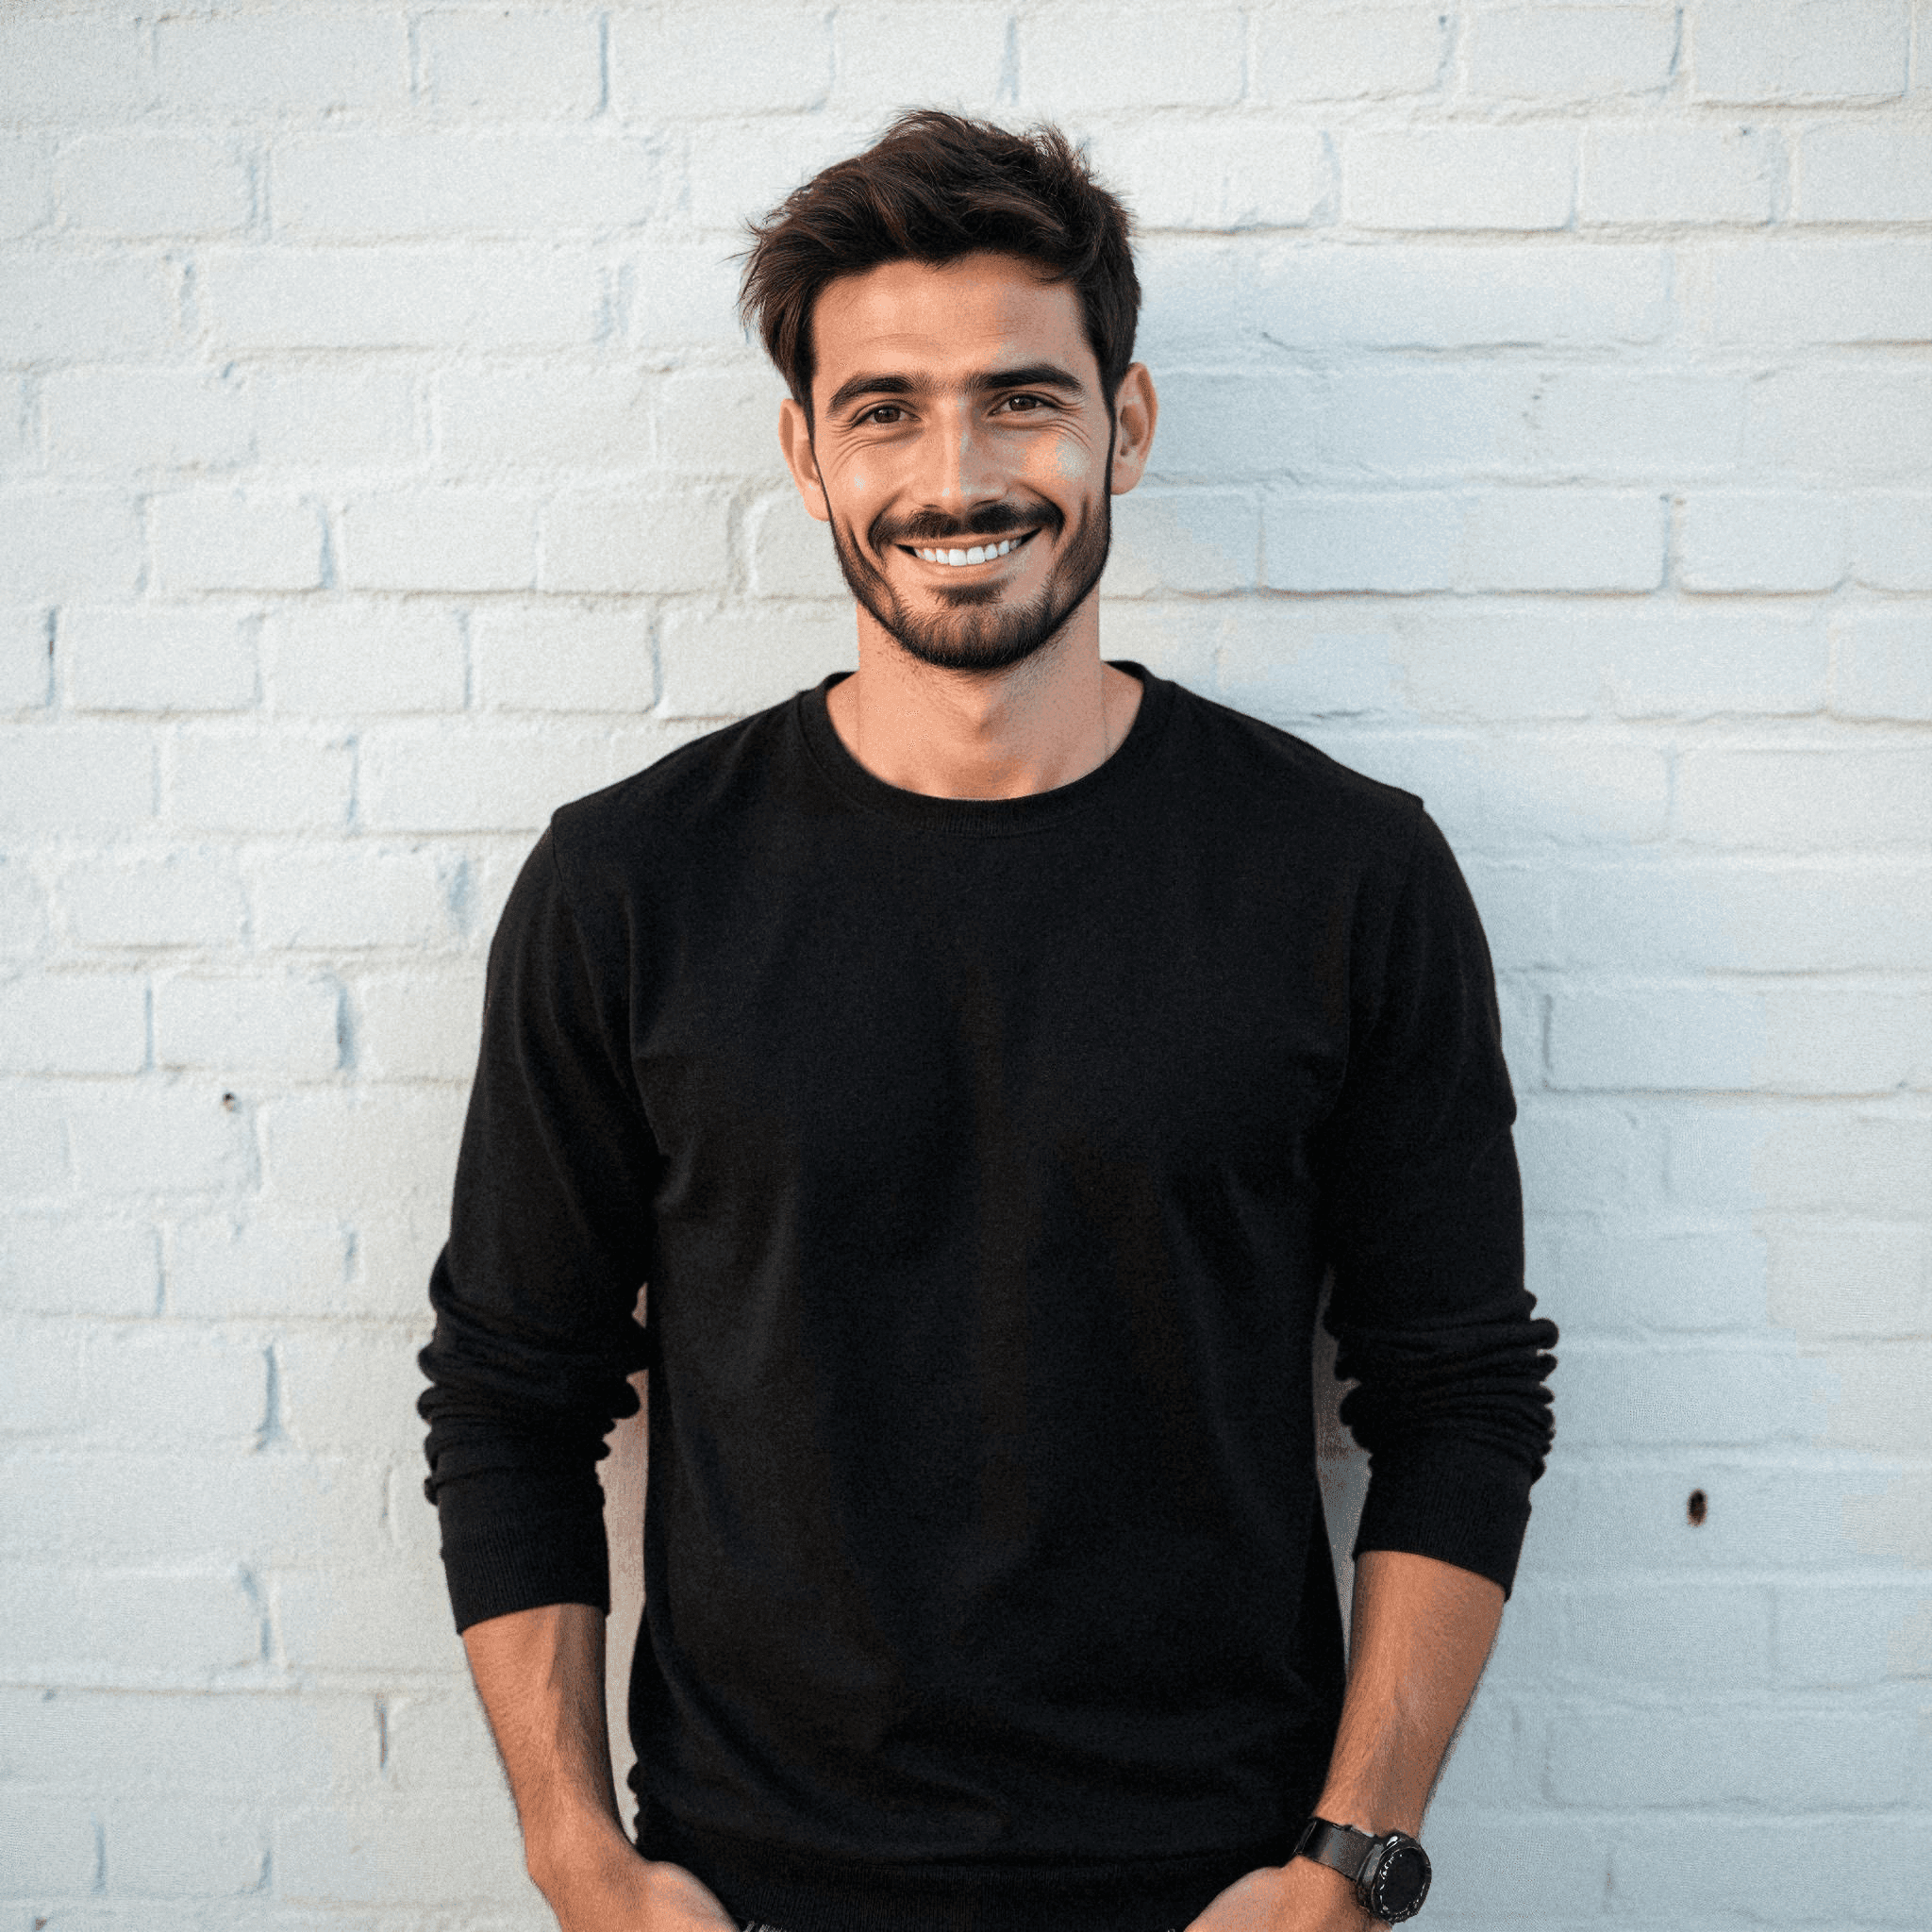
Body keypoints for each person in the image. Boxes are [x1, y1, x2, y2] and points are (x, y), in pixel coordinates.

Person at [417, 109, 1557, 1932]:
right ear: (802, 452)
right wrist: (585, 1867)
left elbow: (1460, 1388)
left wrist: (1350, 1867)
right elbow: (510, 1392)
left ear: (1128, 421)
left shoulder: (1345, 874)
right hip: (753, 1884)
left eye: (1023, 398)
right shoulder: (632, 886)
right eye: (885, 409)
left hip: (1215, 1884)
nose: (958, 476)